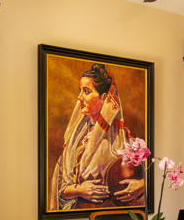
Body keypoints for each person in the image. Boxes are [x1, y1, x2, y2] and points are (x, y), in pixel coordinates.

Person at [49, 63, 145, 210]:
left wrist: (141, 185)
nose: (79, 97)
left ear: (104, 97)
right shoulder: (75, 140)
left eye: (86, 91)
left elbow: (152, 176)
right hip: (75, 216)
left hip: (114, 218)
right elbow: (60, 187)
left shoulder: (124, 139)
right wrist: (78, 190)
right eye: (80, 91)